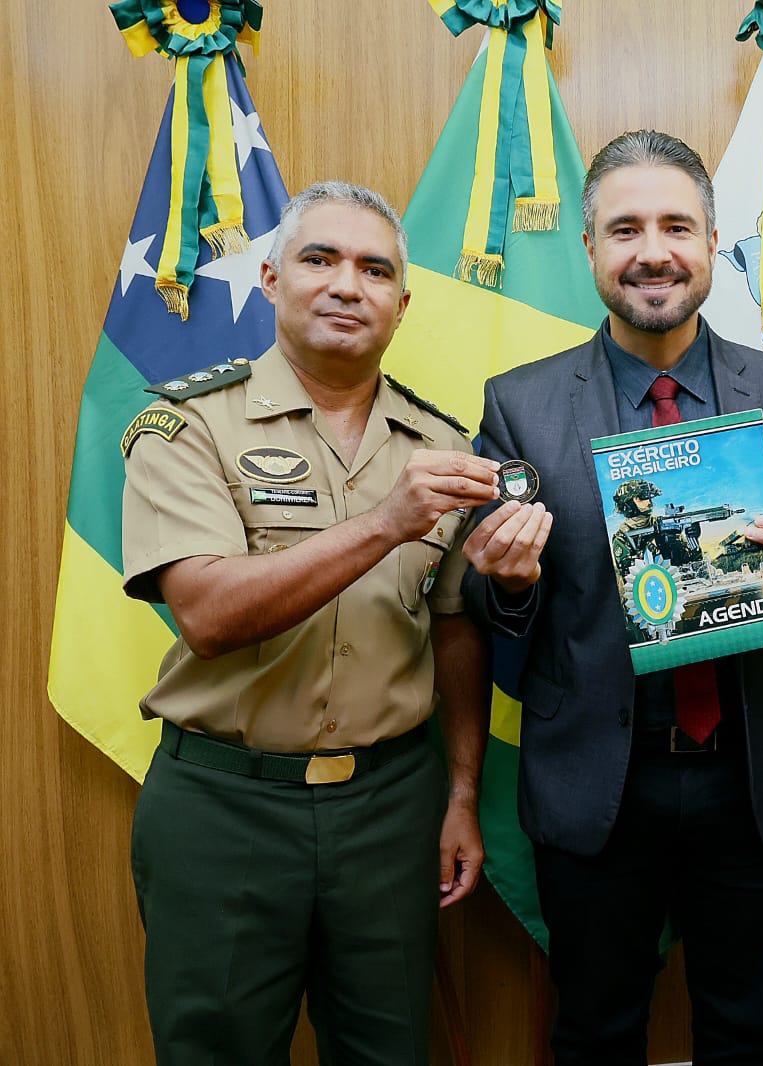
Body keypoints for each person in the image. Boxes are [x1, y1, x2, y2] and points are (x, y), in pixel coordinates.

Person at [461, 129, 763, 1066]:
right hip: (597, 781)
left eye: (676, 225)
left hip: (749, 775)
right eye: (625, 229)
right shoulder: (519, 405)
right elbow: (486, 610)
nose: (653, 251)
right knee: (595, 1031)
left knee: (749, 1029)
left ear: (712, 242)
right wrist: (508, 585)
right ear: (591, 250)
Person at [121, 180, 499, 1065]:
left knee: (390, 1050)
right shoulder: (184, 423)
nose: (345, 284)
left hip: (390, 806)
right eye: (319, 259)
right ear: (268, 277)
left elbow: (453, 631)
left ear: (402, 305)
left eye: (374, 270)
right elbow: (209, 615)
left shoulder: (443, 447)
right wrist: (381, 524)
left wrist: (461, 794)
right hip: (225, 805)